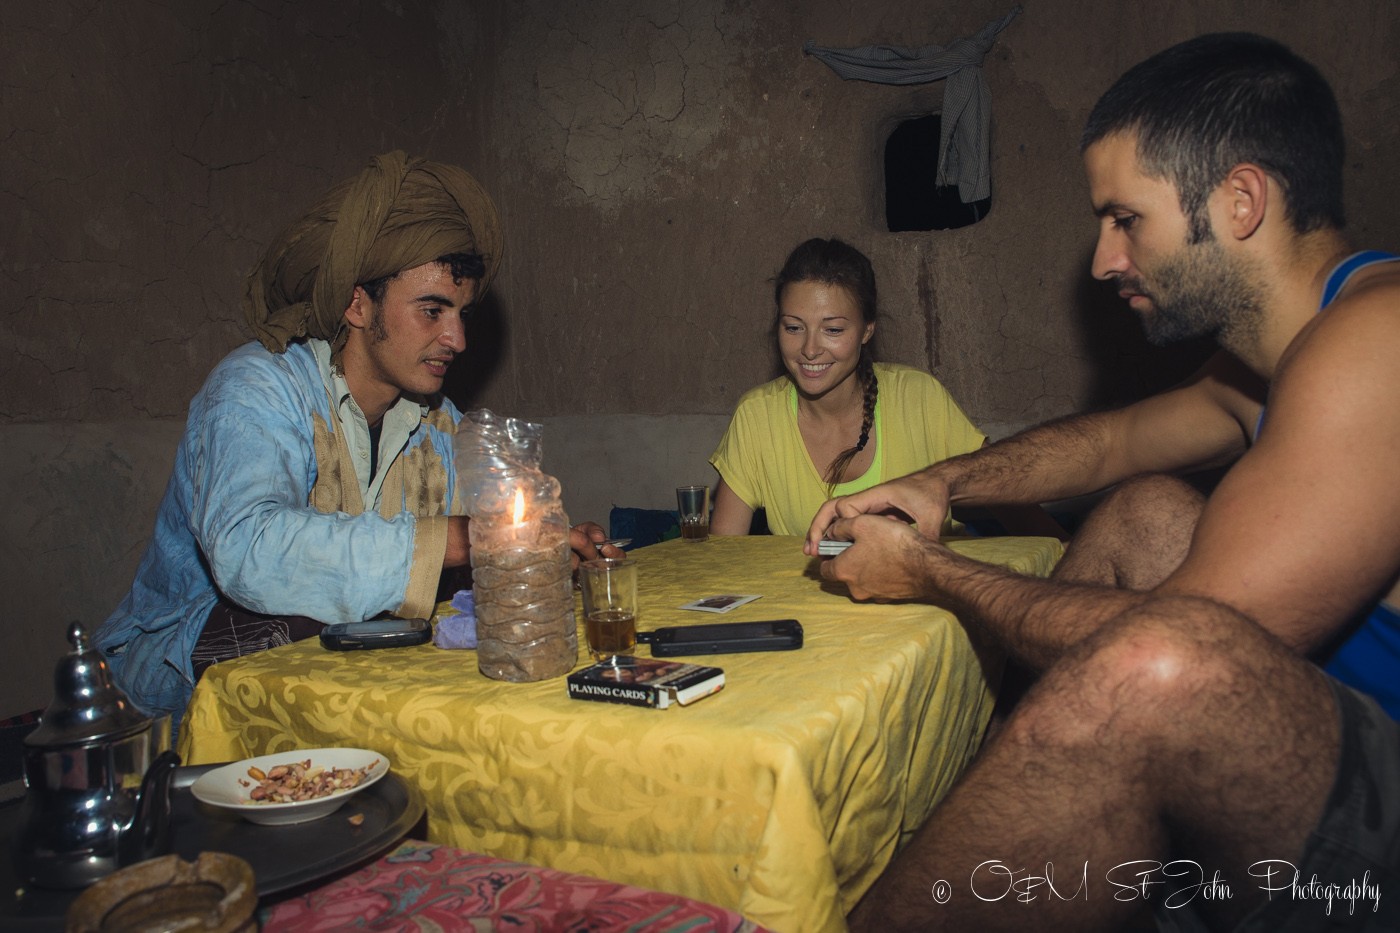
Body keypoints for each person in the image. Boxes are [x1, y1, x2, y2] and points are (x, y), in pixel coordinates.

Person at [807, 34, 1400, 932]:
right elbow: (1115, 440)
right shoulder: (1282, 357)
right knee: (1144, 510)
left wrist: (930, 570)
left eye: (1126, 219)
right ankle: (1008, 815)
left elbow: (1187, 648)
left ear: (1240, 200)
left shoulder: (1376, 342)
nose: (1104, 260)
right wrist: (942, 482)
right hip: (1335, 724)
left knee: (1154, 666)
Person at [96, 151, 621, 720]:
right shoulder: (256, 388)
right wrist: (461, 540)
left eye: (462, 314)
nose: (457, 339)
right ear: (357, 303)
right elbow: (250, 550)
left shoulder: (440, 423)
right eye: (431, 310)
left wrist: (543, 550)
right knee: (297, 623)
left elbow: (486, 534)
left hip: (339, 694)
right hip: (179, 692)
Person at [709, 237, 1060, 539]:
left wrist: (1067, 554)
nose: (810, 349)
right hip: (814, 615)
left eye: (833, 330)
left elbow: (1005, 491)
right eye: (793, 327)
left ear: (866, 330)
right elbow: (725, 555)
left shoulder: (918, 399)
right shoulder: (757, 417)